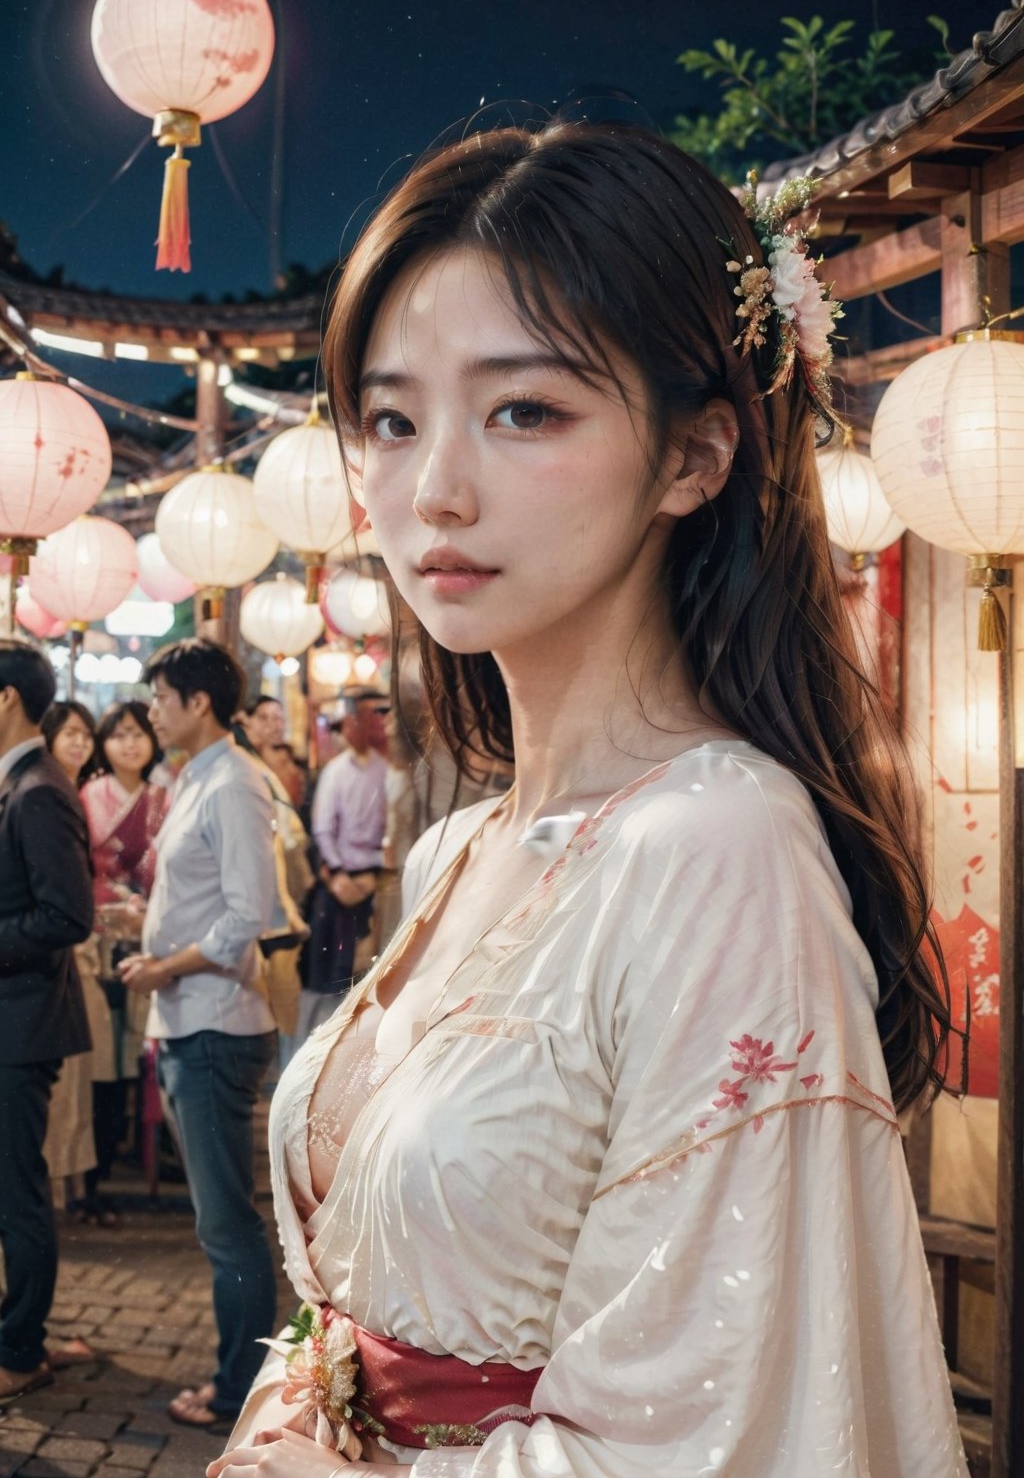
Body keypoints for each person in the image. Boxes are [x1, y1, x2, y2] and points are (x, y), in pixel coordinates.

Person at [213, 124, 966, 1477]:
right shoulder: (459, 847)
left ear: (696, 457)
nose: (433, 487)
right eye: (391, 418)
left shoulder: (720, 848)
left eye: (526, 411)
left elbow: (724, 1432)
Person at [117, 639, 278, 1431]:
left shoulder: (235, 782)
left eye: (160, 697)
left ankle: (240, 1389)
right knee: (221, 1220)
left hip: (216, 1021)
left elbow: (252, 913)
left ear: (198, 703)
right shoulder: (199, 778)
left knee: (228, 1223)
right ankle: (238, 1377)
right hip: (191, 1017)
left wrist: (165, 967)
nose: (151, 710)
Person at [0, 641, 93, 1403]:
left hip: (21, 1024)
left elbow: (67, 914)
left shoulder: (37, 790)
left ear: (6, 700)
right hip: (12, 1018)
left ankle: (22, 1346)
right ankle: (17, 1327)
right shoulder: (18, 784)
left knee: (17, 1189)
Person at [79, 700, 169, 1223]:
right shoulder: (89, 796)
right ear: (104, 743)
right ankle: (96, 1173)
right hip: (96, 938)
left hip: (149, 935)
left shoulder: (163, 798)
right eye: (119, 735)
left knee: (136, 1057)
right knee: (102, 1060)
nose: (130, 744)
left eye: (138, 734)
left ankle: (133, 1154)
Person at [39, 701, 105, 1219]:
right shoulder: (51, 793)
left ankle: (70, 1190)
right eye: (69, 733)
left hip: (74, 961)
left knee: (73, 1090)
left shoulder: (56, 793)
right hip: (59, 964)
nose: (79, 743)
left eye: (87, 733)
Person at [301, 690, 389, 1035]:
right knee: (331, 973)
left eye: (370, 719)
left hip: (374, 877)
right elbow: (323, 828)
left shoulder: (384, 770)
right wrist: (338, 874)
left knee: (368, 973)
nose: (363, 726)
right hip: (339, 879)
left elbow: (393, 827)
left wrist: (376, 872)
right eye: (357, 719)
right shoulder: (335, 771)